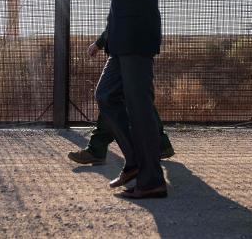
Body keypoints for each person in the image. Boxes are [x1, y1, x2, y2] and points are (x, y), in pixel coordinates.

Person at [46, 0, 167, 199]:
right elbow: (120, 8)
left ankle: (152, 180)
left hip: (136, 43)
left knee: (140, 109)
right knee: (105, 95)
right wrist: (102, 42)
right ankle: (136, 162)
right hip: (120, 44)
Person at [68, 33, 174, 165]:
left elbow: (120, 18)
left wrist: (100, 42)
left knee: (108, 96)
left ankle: (100, 150)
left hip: (127, 47)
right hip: (136, 46)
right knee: (126, 97)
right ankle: (160, 145)